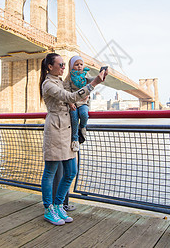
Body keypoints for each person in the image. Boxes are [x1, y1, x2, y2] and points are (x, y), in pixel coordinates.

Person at [39, 52, 107, 226]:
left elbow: (71, 98)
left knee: (71, 172)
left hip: (68, 130)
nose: (63, 67)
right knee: (50, 172)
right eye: (61, 65)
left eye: (64, 65)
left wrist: (75, 101)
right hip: (55, 130)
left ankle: (58, 204)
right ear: (50, 67)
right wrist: (94, 83)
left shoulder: (61, 82)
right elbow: (69, 97)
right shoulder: (48, 84)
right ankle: (49, 209)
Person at [65, 55, 92, 151]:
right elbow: (67, 91)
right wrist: (70, 103)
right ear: (72, 66)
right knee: (74, 119)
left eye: (81, 64)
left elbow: (91, 84)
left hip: (83, 102)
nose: (79, 66)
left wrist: (88, 94)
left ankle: (83, 127)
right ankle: (75, 140)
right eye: (76, 65)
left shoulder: (86, 75)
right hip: (73, 103)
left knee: (84, 114)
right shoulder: (69, 78)